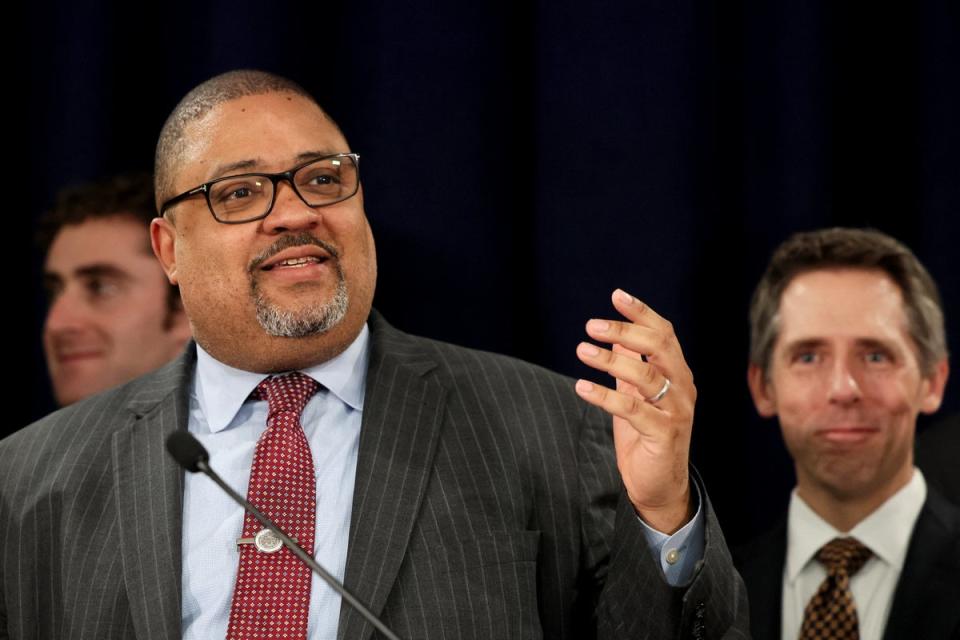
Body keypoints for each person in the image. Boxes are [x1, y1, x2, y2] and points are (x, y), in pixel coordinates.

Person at [1, 70, 748, 639]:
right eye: (239, 193)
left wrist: (661, 514)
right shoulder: (29, 479)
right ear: (169, 249)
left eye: (323, 178)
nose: (294, 212)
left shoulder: (555, 429)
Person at [735, 227, 960, 639]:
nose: (843, 389)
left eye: (875, 356)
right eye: (808, 357)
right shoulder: (716, 594)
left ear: (933, 381)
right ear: (763, 387)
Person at [38, 173, 191, 406]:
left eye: (100, 288)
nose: (56, 324)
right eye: (54, 292)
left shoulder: (256, 438)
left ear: (185, 309)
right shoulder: (23, 443)